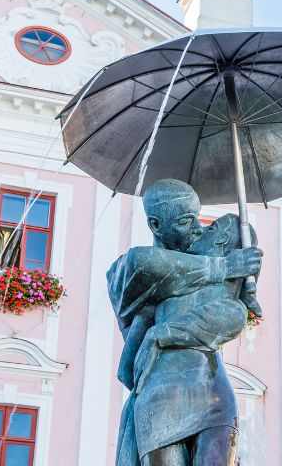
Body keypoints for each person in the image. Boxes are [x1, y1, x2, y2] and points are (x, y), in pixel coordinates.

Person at [107, 179, 262, 466]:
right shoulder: (127, 270)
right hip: (160, 397)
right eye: (184, 221)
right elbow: (147, 264)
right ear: (155, 225)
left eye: (198, 219)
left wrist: (245, 280)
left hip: (213, 392)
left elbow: (232, 317)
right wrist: (224, 267)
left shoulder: (209, 276)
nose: (197, 229)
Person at [132, 213, 261, 395]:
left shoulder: (232, 308)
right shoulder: (185, 280)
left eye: (211, 228)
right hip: (155, 391)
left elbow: (166, 332)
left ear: (222, 240)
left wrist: (156, 335)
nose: (201, 230)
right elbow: (141, 261)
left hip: (193, 398)